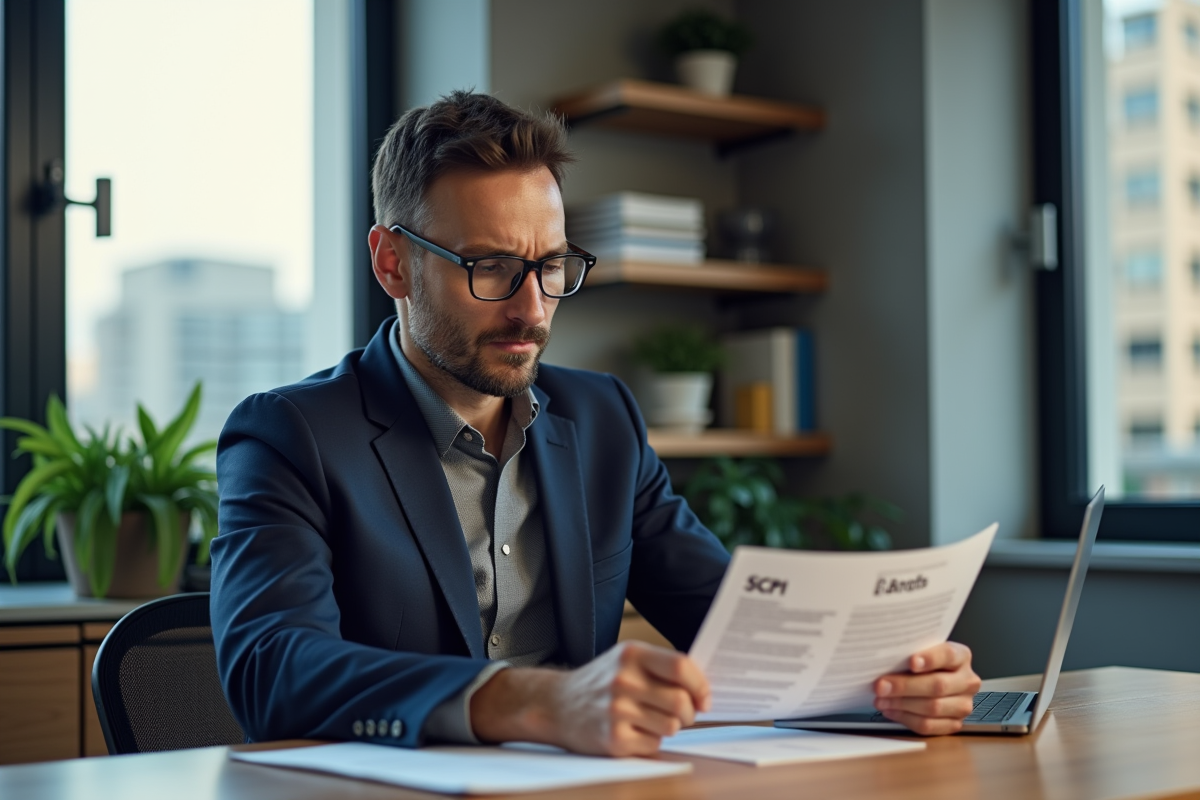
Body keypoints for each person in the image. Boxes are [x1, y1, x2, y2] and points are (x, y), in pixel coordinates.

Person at [210, 90, 981, 757]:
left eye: (550, 265)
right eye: (490, 267)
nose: (531, 307)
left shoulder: (603, 418)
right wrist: (533, 702)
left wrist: (883, 682)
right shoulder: (289, 436)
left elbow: (728, 623)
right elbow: (272, 668)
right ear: (392, 265)